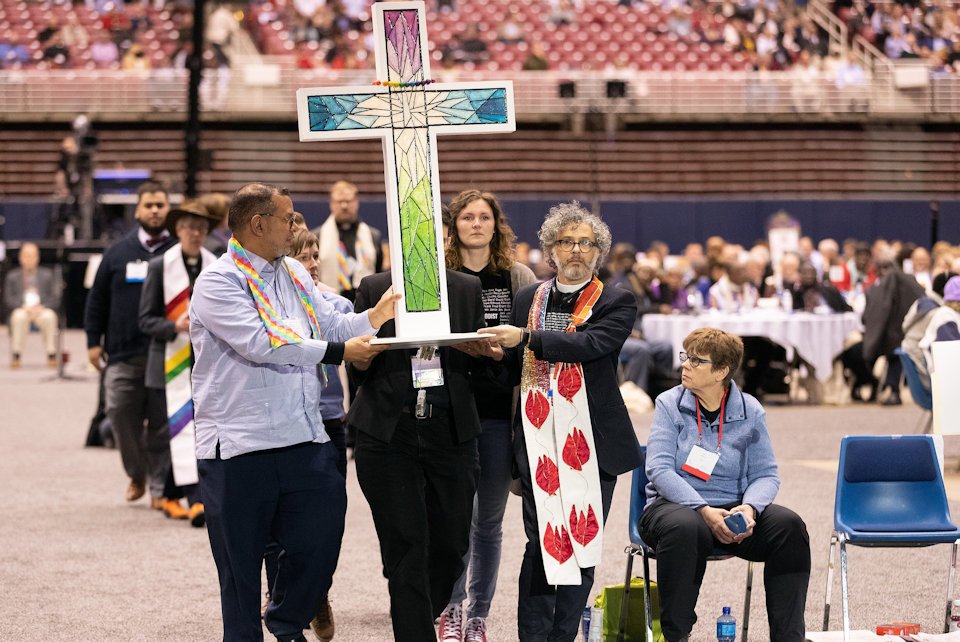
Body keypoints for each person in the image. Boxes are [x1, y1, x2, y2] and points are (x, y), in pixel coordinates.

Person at [189, 182, 399, 641]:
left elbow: (330, 323)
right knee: (241, 570)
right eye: (287, 217)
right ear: (258, 223)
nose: (295, 225)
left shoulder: (294, 274)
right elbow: (265, 343)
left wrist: (374, 317)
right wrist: (341, 351)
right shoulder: (218, 281)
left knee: (320, 541)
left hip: (302, 436)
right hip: (238, 446)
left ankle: (285, 621)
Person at [480, 202, 641, 641]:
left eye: (586, 243)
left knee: (580, 543)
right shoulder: (526, 297)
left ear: (598, 252)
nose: (576, 250)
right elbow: (514, 367)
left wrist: (528, 338)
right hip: (536, 441)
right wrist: (496, 356)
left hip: (595, 443)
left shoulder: (615, 299)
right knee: (541, 544)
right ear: (551, 249)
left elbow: (591, 344)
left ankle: (564, 635)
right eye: (567, 241)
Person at [349, 264, 496, 641]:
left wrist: (486, 354)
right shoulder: (374, 286)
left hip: (450, 429)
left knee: (452, 544)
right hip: (387, 432)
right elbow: (357, 368)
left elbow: (480, 367)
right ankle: (414, 627)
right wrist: (359, 357)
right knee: (405, 545)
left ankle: (416, 607)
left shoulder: (466, 287)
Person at [642, 327, 810, 642]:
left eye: (696, 360)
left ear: (722, 371)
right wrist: (703, 510)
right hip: (673, 509)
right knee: (685, 526)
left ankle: (789, 637)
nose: (685, 365)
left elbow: (766, 474)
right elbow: (659, 469)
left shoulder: (750, 410)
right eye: (685, 356)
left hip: (733, 510)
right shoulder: (669, 404)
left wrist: (749, 509)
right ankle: (676, 635)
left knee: (790, 527)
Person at [438, 189, 537, 642]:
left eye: (485, 217)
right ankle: (450, 609)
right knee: (452, 518)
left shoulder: (517, 277)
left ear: (496, 226)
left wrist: (505, 350)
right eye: (467, 217)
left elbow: (534, 346)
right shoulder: (440, 276)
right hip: (450, 410)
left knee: (489, 523)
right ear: (454, 226)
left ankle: (478, 614)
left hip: (500, 413)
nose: (476, 224)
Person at [84, 181, 176, 506]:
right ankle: (137, 471)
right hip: (123, 353)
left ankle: (158, 486)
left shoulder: (178, 252)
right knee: (120, 413)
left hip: (168, 353)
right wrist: (93, 342)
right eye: (148, 205)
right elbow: (96, 301)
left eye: (160, 205)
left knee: (163, 422)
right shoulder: (116, 253)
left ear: (168, 209)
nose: (154, 210)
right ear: (137, 210)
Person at [138, 199, 218, 525]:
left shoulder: (216, 264)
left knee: (200, 428)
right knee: (172, 428)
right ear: (178, 230)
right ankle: (182, 495)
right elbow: (145, 320)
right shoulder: (160, 266)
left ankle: (186, 494)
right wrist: (174, 325)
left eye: (200, 228)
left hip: (205, 362)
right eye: (188, 227)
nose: (195, 233)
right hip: (167, 362)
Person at [312, 180, 384, 303]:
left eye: (348, 201)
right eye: (339, 202)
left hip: (365, 302)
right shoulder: (316, 236)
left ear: (356, 203)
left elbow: (377, 272)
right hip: (330, 302)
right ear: (331, 204)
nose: (344, 206)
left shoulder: (373, 235)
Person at [5, 242, 60, 369]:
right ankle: (16, 354)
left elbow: (55, 298)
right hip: (22, 309)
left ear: (38, 257)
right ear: (21, 257)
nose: (30, 259)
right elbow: (8, 300)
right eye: (27, 256)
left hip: (41, 309)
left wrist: (42, 306)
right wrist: (23, 306)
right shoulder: (12, 276)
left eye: (33, 255)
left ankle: (51, 354)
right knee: (19, 317)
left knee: (49, 316)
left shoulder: (47, 275)